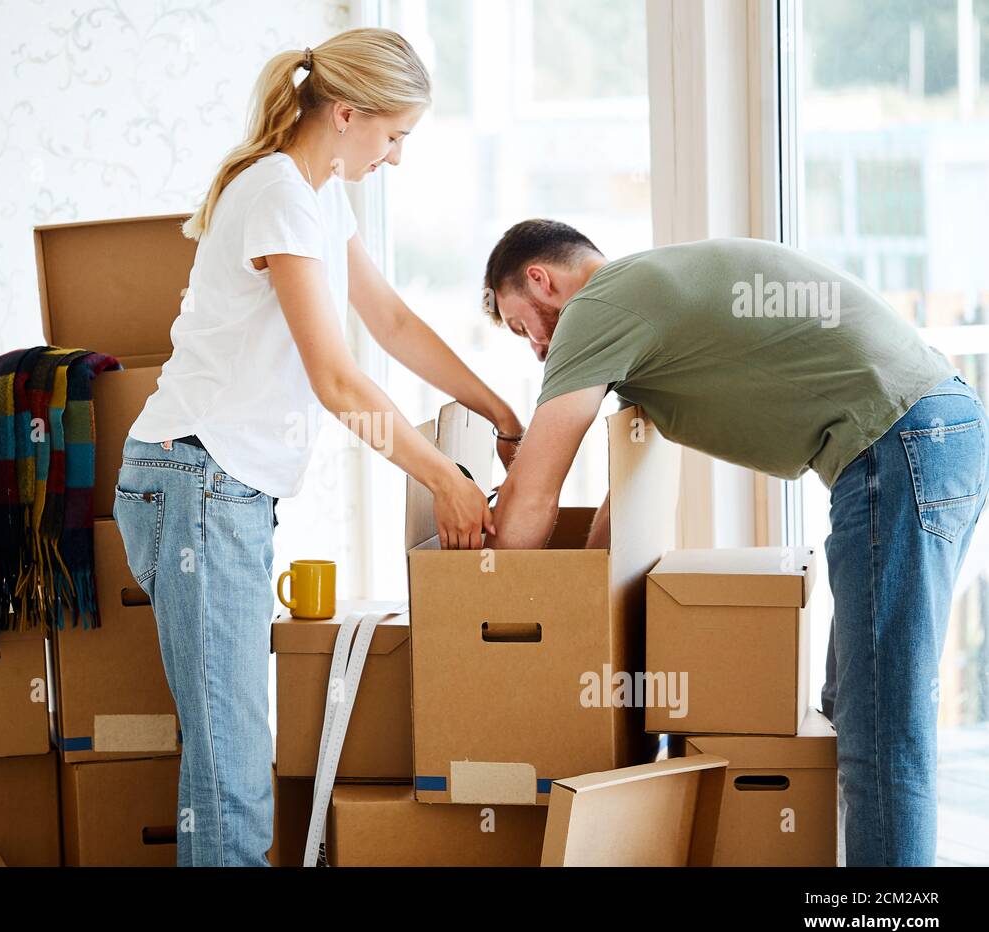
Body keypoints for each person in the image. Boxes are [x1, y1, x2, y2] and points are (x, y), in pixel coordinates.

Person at [113, 28, 518, 867]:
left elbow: (393, 324)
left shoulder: (318, 192)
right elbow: (336, 382)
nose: (398, 157)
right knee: (231, 764)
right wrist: (443, 476)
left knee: (227, 748)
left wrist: (498, 408)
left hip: (219, 486)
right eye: (395, 135)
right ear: (345, 114)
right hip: (197, 480)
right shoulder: (277, 195)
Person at [481, 218, 987, 867]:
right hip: (926, 436)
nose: (536, 348)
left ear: (539, 279)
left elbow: (530, 496)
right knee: (854, 712)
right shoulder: (651, 306)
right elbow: (621, 510)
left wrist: (488, 628)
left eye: (523, 326)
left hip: (903, 444)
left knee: (885, 734)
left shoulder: (597, 306)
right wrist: (585, 613)